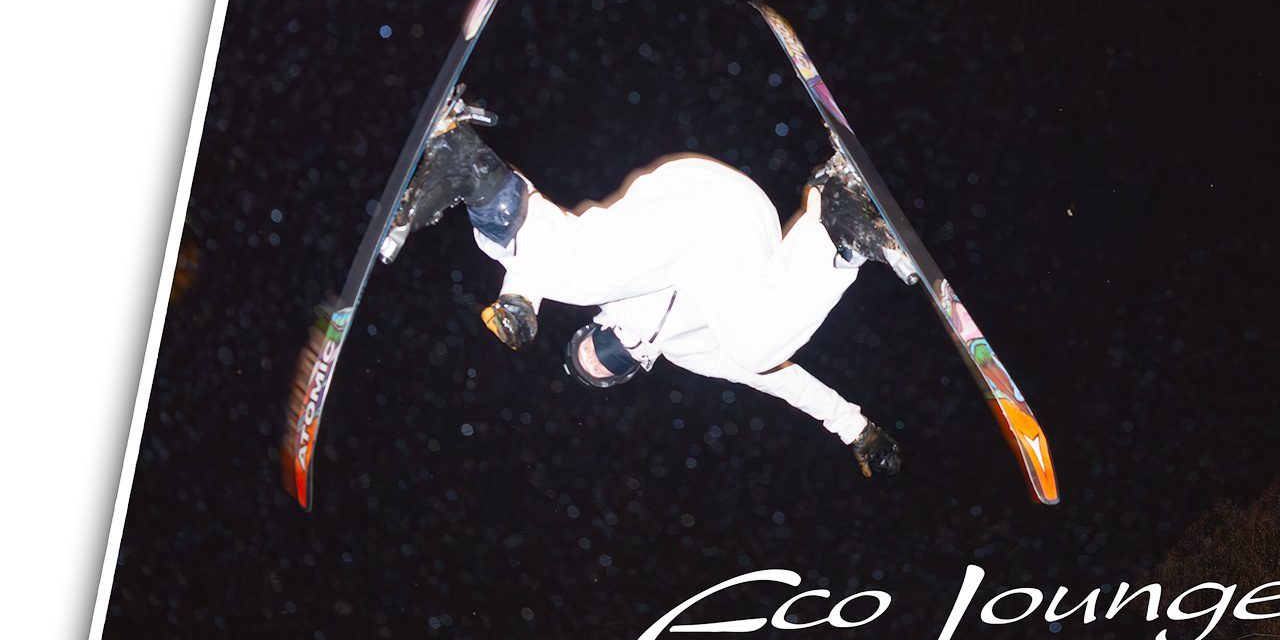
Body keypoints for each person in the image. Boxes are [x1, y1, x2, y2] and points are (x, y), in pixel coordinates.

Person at [382, 96, 908, 478]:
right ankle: (840, 230)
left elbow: (573, 252)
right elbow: (785, 383)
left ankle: (473, 171)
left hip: (692, 200)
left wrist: (519, 298)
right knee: (754, 350)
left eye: (593, 349)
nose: (605, 354)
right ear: (632, 370)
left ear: (594, 329)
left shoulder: (611, 293)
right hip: (738, 242)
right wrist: (856, 429)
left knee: (585, 270)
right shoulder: (690, 353)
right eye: (608, 366)